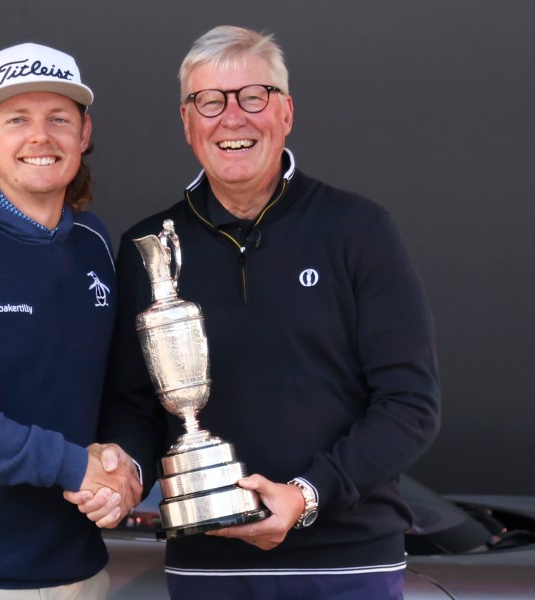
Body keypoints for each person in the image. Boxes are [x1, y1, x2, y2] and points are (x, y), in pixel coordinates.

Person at [80, 25, 440, 599]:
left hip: (348, 566)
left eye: (254, 96)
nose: (233, 118)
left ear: (286, 111)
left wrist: (306, 493)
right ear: (187, 122)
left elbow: (410, 405)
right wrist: (125, 471)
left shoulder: (359, 230)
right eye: (210, 101)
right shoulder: (148, 247)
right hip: (207, 565)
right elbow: (133, 405)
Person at [0, 43, 142, 598]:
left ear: (83, 135)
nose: (41, 136)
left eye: (59, 118)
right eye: (17, 119)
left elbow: (118, 390)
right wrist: (68, 465)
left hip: (80, 571)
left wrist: (123, 470)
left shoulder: (94, 243)